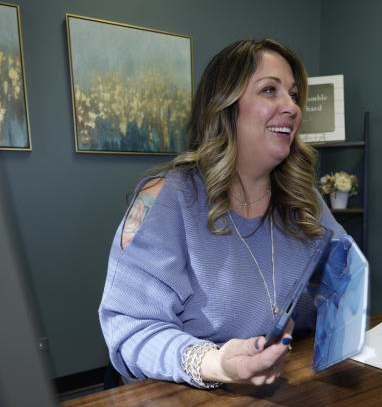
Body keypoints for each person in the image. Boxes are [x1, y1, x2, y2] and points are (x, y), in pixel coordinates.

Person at [99, 38, 347, 388]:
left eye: (293, 94)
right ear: (225, 107)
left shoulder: (305, 201)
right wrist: (215, 363)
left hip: (282, 393)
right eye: (270, 90)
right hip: (184, 400)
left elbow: (347, 281)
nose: (291, 107)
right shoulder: (167, 198)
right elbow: (130, 329)